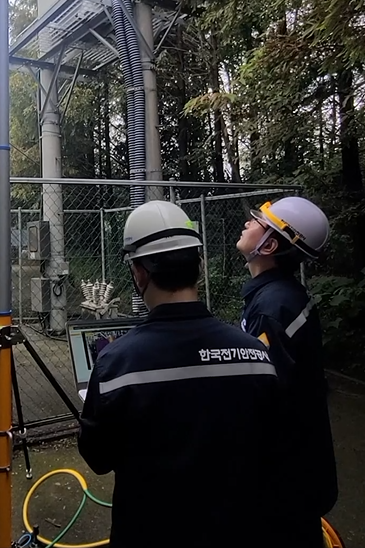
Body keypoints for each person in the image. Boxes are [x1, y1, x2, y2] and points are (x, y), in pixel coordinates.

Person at [78, 200, 288, 548]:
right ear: (199, 266)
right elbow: (273, 444)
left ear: (139, 273)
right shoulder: (256, 355)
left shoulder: (116, 364)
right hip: (240, 531)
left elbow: (99, 458)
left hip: (149, 532)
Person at [237, 196, 338, 546]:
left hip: (283, 483)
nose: (248, 223)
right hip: (301, 469)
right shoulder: (283, 295)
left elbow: (262, 397)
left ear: (270, 243)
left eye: (257, 221)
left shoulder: (272, 309)